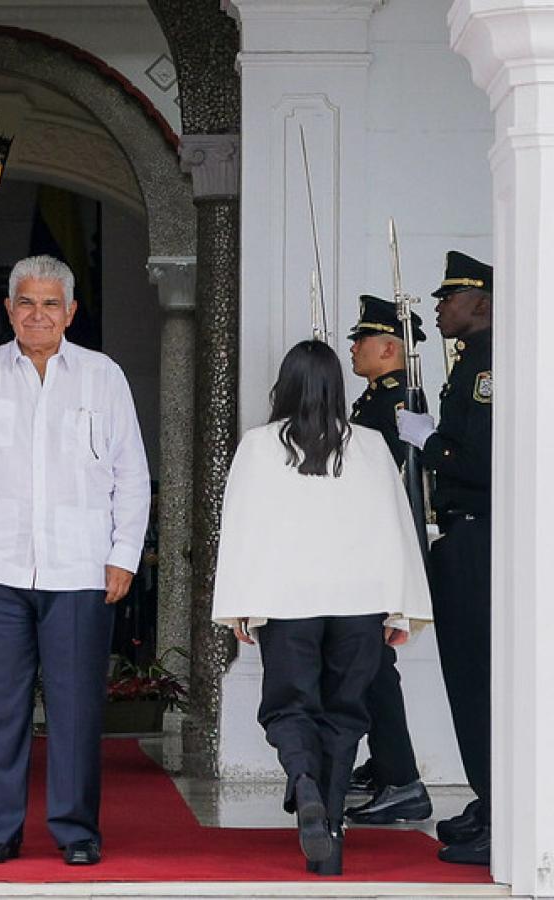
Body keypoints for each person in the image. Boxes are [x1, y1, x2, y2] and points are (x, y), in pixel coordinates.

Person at [0, 255, 150, 867]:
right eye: (25, 302)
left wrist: (123, 554)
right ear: (10, 309)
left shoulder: (103, 376)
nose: (37, 314)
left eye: (50, 304)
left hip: (79, 568)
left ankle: (76, 831)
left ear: (71, 311)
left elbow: (131, 473)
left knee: (75, 707)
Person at [212, 340, 431, 877]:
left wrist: (240, 604)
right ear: (337, 388)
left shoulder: (260, 446)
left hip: (288, 603)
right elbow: (395, 529)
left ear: (285, 385)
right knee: (344, 714)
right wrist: (400, 610)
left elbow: (240, 529)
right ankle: (329, 839)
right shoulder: (373, 445)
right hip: (358, 604)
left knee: (289, 707)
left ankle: (303, 781)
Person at [396, 251, 493, 866]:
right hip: (462, 537)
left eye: (449, 298)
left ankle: (502, 803)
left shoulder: (488, 366)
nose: (438, 307)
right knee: (465, 679)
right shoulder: (470, 364)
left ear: (480, 302)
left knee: (479, 679)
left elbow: (480, 462)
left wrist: (427, 439)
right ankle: (491, 795)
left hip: (479, 538)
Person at [341, 295, 433, 825]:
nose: (353, 347)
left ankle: (403, 781)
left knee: (373, 667)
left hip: (376, 549)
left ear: (389, 347)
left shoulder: (395, 403)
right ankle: (386, 766)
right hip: (368, 546)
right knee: (374, 664)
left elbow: (382, 484)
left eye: (362, 340)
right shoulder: (375, 398)